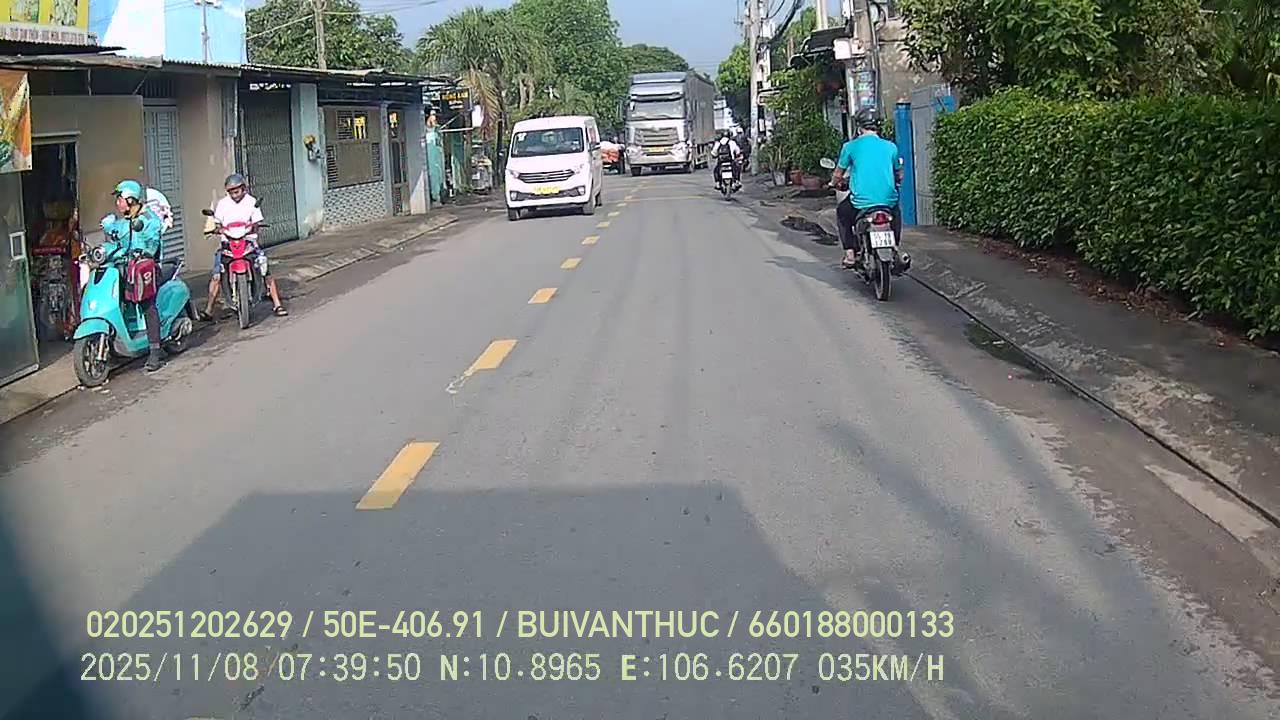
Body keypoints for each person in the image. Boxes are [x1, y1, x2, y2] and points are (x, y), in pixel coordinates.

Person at [200, 174, 288, 320]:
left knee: (265, 269)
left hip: (248, 243)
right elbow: (217, 223)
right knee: (216, 275)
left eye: (237, 191)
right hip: (228, 244)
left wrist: (254, 227)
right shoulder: (222, 204)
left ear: (244, 189)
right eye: (231, 192)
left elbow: (256, 222)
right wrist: (217, 229)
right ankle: (209, 309)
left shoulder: (252, 202)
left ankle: (277, 304)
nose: (235, 195)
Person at [104, 180, 167, 372]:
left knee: (148, 305)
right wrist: (108, 228)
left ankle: (155, 351)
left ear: (130, 199)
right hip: (127, 269)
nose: (117, 203)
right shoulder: (124, 221)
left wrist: (144, 248)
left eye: (120, 199)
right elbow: (117, 238)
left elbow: (153, 243)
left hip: (147, 269)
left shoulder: (149, 219)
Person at [830, 108, 904, 269]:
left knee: (842, 213)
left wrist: (833, 183)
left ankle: (850, 253)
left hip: (861, 203)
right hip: (887, 202)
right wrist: (897, 181)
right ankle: (895, 247)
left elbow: (838, 174)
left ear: (859, 128)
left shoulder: (850, 147)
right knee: (896, 212)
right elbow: (899, 174)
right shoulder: (891, 147)